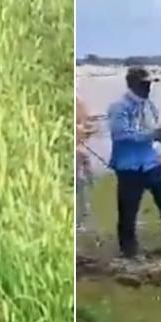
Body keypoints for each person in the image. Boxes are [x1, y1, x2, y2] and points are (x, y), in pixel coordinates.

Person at [106, 66, 161, 258]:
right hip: (129, 168)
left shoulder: (149, 105)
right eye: (144, 84)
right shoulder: (119, 107)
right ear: (132, 84)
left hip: (152, 163)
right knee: (128, 212)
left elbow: (153, 133)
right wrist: (154, 134)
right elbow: (121, 135)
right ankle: (129, 252)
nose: (148, 87)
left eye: (150, 83)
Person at [75, 97, 95, 232]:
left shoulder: (79, 103)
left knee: (82, 184)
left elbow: (87, 127)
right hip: (78, 152)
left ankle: (80, 220)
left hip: (80, 152)